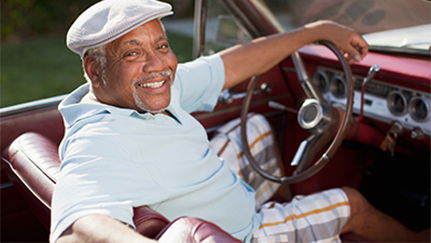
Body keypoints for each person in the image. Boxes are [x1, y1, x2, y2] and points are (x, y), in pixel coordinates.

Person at [51, 0, 431, 242]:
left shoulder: (147, 89)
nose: (158, 65)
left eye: (161, 46)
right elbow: (79, 225)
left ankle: (291, 214)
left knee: (257, 131)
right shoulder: (98, 141)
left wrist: (314, 33)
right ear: (94, 70)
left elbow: (230, 64)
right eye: (132, 53)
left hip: (206, 198)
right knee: (351, 203)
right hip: (240, 232)